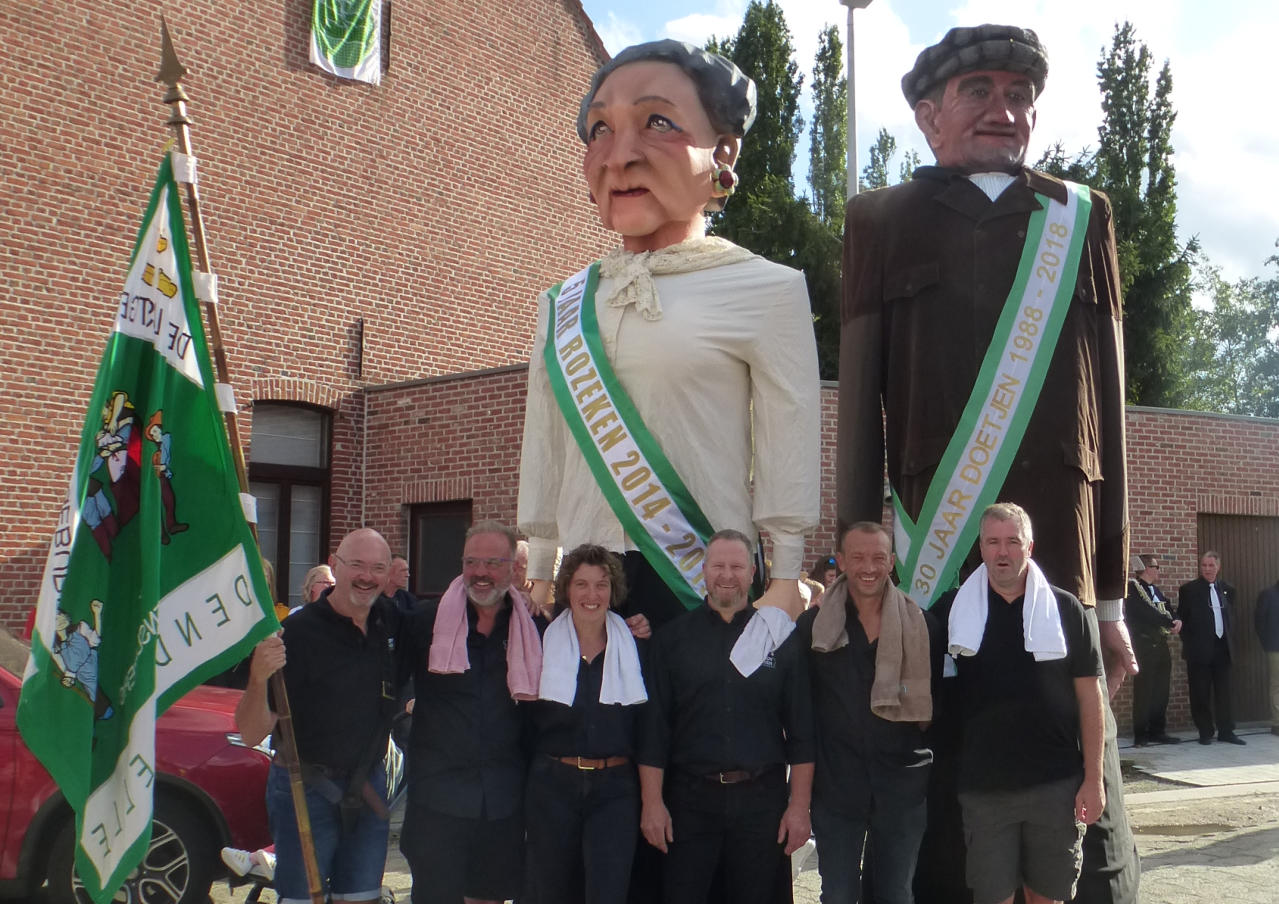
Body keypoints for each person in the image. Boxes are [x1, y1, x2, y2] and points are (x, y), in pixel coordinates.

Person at [836, 24, 1138, 904]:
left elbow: (1108, 416)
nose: (1004, 110)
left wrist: (1110, 599)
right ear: (929, 117)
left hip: (1065, 576)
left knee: (1088, 845)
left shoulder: (1082, 216)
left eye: (1018, 93)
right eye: (979, 93)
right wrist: (858, 586)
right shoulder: (880, 219)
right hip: (938, 577)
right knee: (945, 842)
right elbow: (859, 415)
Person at [517, 39, 820, 634]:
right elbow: (545, 443)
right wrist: (540, 570)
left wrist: (784, 578)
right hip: (585, 576)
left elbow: (789, 436)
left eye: (658, 123)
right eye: (600, 128)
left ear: (723, 152)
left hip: (704, 579)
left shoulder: (766, 287)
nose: (619, 155)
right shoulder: (561, 303)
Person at [637, 529, 815, 904]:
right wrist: (652, 804)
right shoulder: (672, 640)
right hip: (689, 803)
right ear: (703, 570)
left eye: (736, 566)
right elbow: (654, 730)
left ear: (753, 573)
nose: (727, 575)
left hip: (761, 803)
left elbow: (802, 731)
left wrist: (799, 808)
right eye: (718, 565)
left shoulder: (778, 639)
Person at [945, 504, 1105, 904]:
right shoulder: (951, 612)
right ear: (980, 548)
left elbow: (1091, 698)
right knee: (993, 896)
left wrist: (1093, 778)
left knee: (1046, 897)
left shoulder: (1067, 610)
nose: (1003, 552)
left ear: (1029, 547)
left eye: (1012, 542)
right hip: (984, 789)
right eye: (993, 542)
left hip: (1055, 787)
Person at [235, 527, 402, 904]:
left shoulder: (391, 622)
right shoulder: (297, 632)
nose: (366, 576)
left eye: (377, 568)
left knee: (361, 898)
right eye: (356, 564)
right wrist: (259, 678)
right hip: (304, 790)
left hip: (369, 787)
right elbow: (250, 732)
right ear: (334, 565)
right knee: (299, 900)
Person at [794, 522, 943, 904]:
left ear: (891, 562)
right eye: (858, 557)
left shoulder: (923, 626)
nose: (868, 567)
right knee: (838, 894)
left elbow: (936, 706)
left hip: (903, 787)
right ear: (842, 561)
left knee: (897, 894)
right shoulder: (812, 628)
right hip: (836, 788)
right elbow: (800, 710)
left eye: (878, 558)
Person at [398, 521, 542, 904]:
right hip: (437, 801)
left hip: (503, 799)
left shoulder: (533, 627)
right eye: (472, 561)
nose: (481, 572)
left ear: (513, 568)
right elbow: (388, 686)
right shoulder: (423, 623)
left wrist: (631, 626)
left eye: (492, 563)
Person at [526, 544, 648, 904]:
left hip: (615, 790)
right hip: (551, 786)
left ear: (614, 592)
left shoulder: (636, 647)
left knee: (607, 892)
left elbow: (648, 726)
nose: (591, 595)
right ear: (566, 588)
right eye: (581, 584)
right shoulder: (539, 639)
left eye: (601, 585)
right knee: (549, 892)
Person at [1177, 551, 1245, 745]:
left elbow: (1231, 617)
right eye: (1204, 565)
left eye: (1211, 565)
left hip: (1223, 649)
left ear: (1218, 567)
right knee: (1200, 692)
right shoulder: (1189, 590)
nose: (1207, 569)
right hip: (1199, 652)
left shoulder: (1228, 589)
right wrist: (1191, 644)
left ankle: (1226, 731)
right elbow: (1182, 618)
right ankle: (1205, 732)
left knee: (1225, 693)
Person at [1124, 555, 1182, 746]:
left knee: (1161, 691)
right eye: (1155, 567)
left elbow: (1167, 607)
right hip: (1145, 645)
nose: (1158, 570)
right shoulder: (1133, 589)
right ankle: (1141, 735)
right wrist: (1168, 621)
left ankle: (1158, 731)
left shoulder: (1154, 590)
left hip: (1161, 645)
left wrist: (1176, 619)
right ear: (1146, 568)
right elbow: (1146, 613)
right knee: (1144, 691)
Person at [1255, 576, 1279, 735]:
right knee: (1277, 685)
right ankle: (1277, 723)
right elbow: (1259, 621)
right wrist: (1267, 644)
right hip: (1275, 648)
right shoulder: (1268, 594)